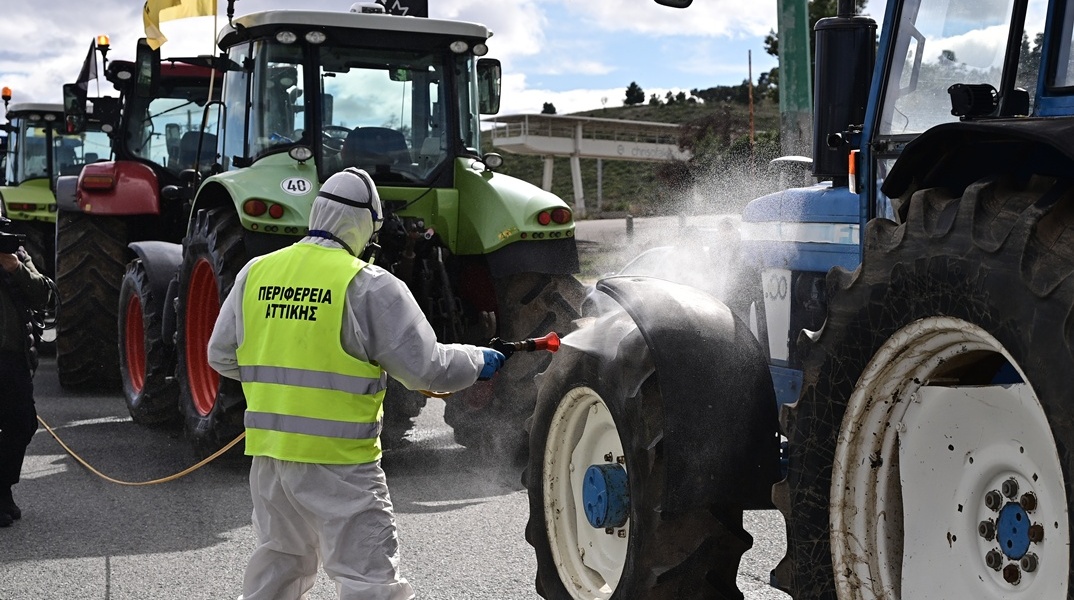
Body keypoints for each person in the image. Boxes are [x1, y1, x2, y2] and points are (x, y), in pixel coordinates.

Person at [207, 167, 505, 600]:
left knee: (278, 567)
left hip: (271, 461)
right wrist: (477, 360)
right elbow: (427, 368)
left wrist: (280, 382)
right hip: (340, 463)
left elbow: (221, 354)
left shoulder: (256, 272)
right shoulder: (367, 285)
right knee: (369, 581)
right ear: (365, 225)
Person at [0, 218, 52, 528]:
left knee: (22, 423)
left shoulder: (14, 251)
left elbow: (44, 295)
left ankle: (3, 488)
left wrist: (15, 268)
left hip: (10, 356)